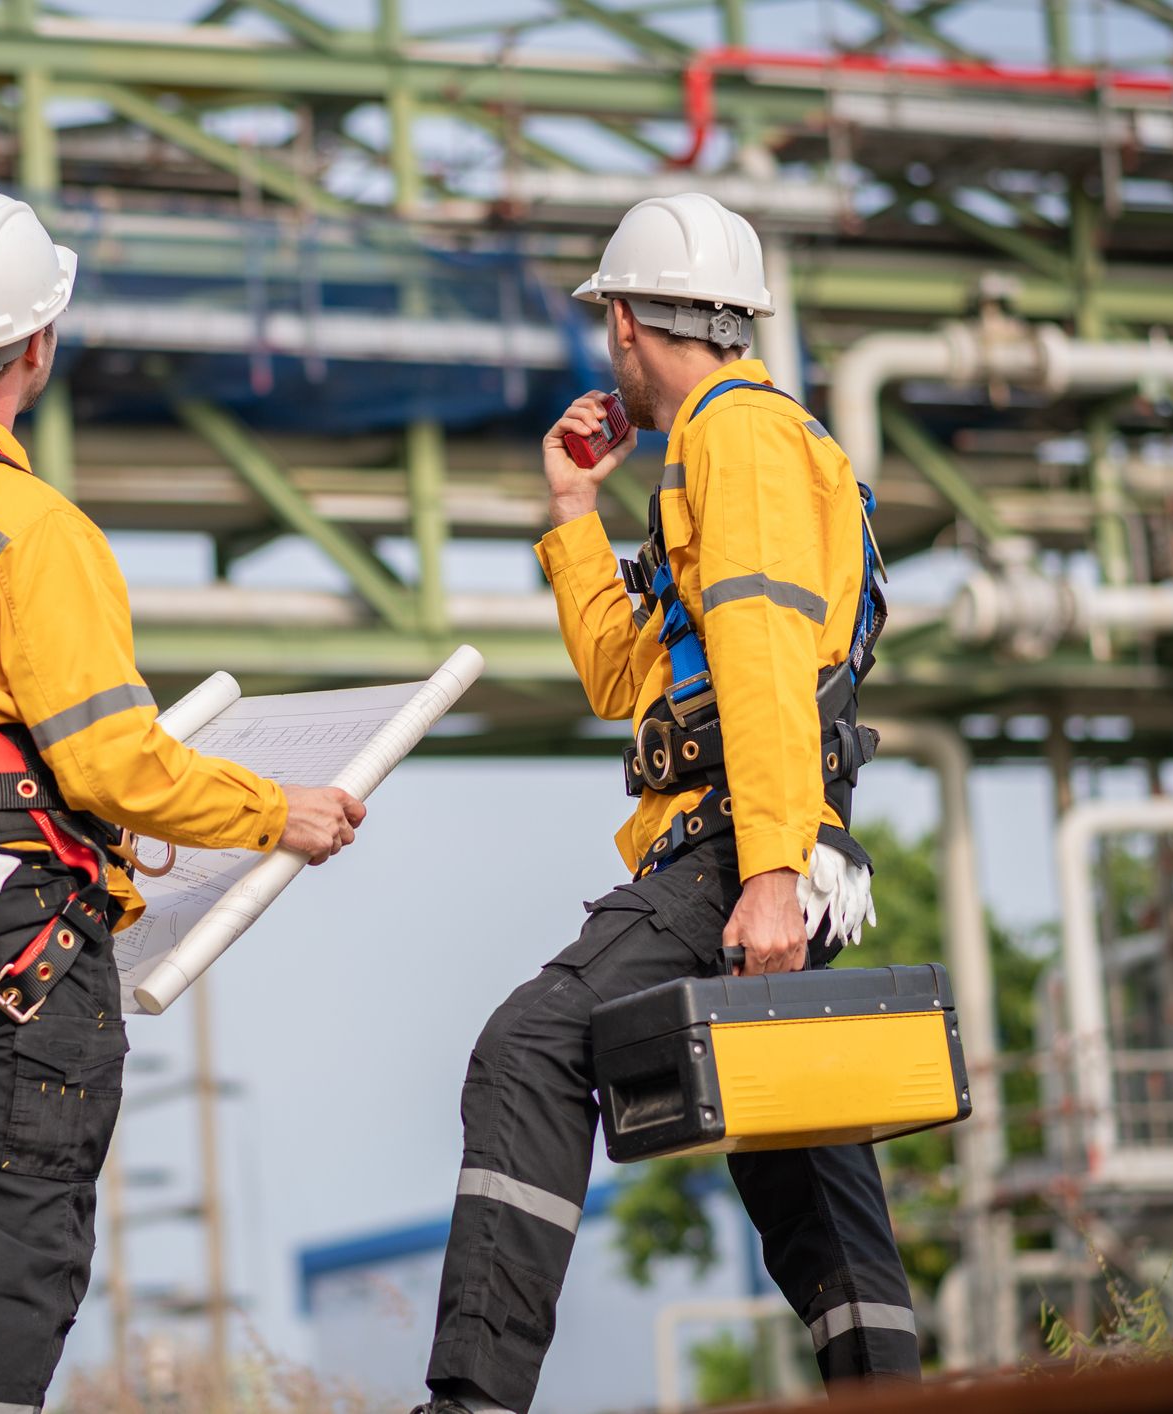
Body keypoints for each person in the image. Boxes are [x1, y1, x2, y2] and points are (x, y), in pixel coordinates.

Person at [0, 185, 366, 1414]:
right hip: (25, 944)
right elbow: (112, 765)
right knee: (18, 1265)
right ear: (39, 344)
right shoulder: (30, 527)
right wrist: (280, 812)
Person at [410, 193, 915, 1414]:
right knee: (798, 1144)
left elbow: (755, 655)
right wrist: (576, 515)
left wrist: (768, 872)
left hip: (741, 846)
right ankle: (890, 1389)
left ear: (628, 322)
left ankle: (471, 1402)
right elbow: (629, 683)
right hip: (770, 840)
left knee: (530, 1046)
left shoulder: (732, 441)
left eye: (609, 330)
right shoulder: (750, 447)